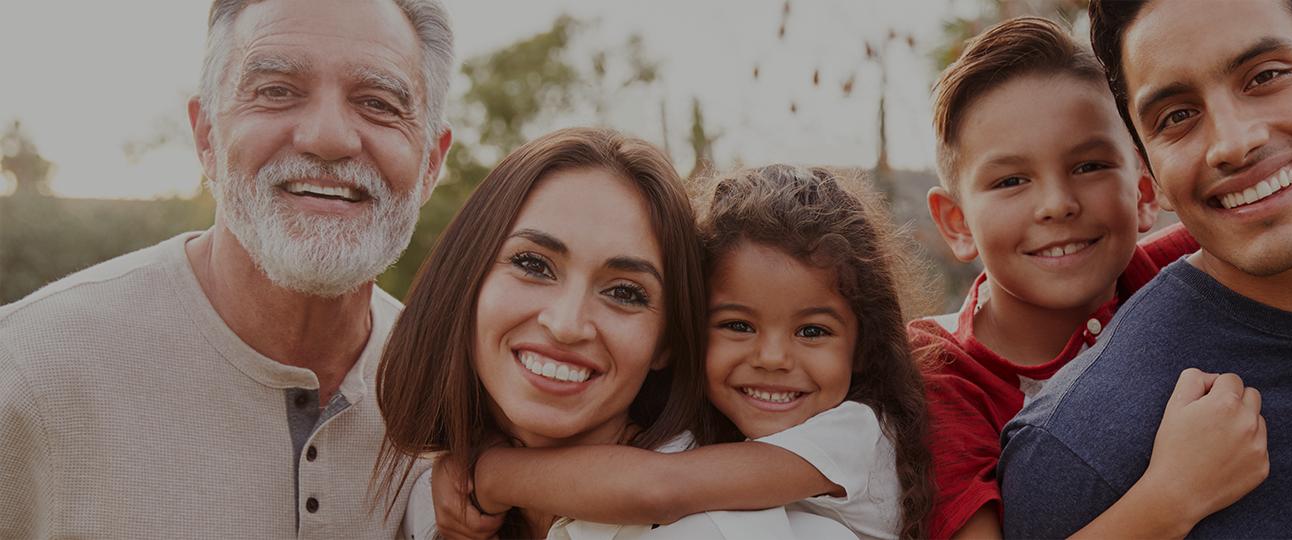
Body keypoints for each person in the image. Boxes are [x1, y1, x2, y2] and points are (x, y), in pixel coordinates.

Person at [917, 16, 1292, 539]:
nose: (1057, 205)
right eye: (1011, 180)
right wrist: (1171, 497)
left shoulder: (1164, 262)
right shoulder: (937, 377)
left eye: (1089, 167)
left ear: (1144, 191)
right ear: (956, 223)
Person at [0, 0, 454, 536]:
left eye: (377, 103)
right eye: (277, 91)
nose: (328, 137)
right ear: (207, 136)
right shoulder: (26, 371)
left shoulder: (453, 397)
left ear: (430, 164)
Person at [410, 163, 936, 539]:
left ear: (864, 347)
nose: (773, 358)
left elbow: (659, 488)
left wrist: (487, 474)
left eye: (813, 332)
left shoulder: (855, 434)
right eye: (736, 325)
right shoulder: (709, 435)